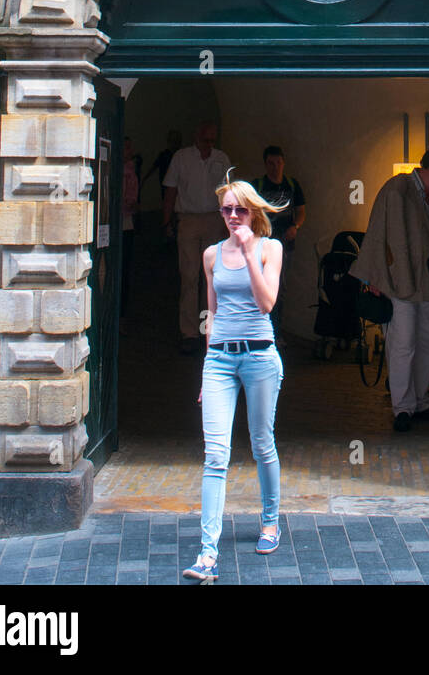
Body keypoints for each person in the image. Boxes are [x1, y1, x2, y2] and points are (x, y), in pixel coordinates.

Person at [182, 178, 284, 584]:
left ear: (254, 212)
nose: (233, 217)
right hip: (221, 358)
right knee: (215, 454)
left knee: (262, 443)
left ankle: (271, 521)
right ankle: (208, 553)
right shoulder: (210, 255)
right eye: (226, 209)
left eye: (240, 209)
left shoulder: (268, 248)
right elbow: (211, 312)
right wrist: (207, 368)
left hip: (260, 355)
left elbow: (267, 303)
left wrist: (246, 250)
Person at [350, 144, 429, 432]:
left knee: (427, 341)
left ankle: (420, 402)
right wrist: (375, 278)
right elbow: (378, 231)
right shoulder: (397, 189)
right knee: (402, 342)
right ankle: (403, 408)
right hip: (399, 279)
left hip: (427, 281)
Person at [162, 123, 231, 353]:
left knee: (211, 278)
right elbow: (170, 189)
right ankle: (189, 332)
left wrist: (227, 223)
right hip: (189, 219)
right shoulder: (182, 158)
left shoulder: (222, 158)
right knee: (190, 276)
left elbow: (228, 192)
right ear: (197, 138)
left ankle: (208, 330)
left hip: (213, 219)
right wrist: (166, 219)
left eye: (212, 141)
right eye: (205, 141)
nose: (208, 145)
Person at [251, 146, 306, 341]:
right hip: (261, 245)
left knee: (278, 289)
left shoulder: (292, 185)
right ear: (265, 164)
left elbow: (301, 211)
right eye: (271, 164)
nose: (275, 168)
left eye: (278, 163)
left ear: (283, 163)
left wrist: (295, 227)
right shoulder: (257, 186)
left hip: (284, 246)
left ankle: (274, 331)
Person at [120, 137, 140, 334]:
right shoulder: (114, 168)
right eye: (126, 146)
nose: (129, 150)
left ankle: (121, 316)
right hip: (112, 224)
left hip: (126, 223)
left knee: (124, 271)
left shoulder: (131, 170)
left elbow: (132, 198)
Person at [142, 129, 182, 197]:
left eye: (176, 141)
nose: (175, 143)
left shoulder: (181, 156)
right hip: (166, 186)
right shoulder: (163, 155)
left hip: (179, 186)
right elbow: (153, 167)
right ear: (169, 142)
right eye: (173, 141)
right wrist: (144, 178)